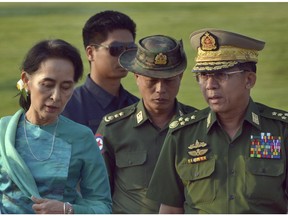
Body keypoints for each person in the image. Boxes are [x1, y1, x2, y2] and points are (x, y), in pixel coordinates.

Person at [146, 28, 288, 213]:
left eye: (221, 75)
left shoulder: (281, 131)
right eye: (203, 76)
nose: (210, 85)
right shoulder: (182, 134)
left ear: (249, 80)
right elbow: (170, 209)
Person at [0, 39, 112, 214]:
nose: (56, 96)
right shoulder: (3, 132)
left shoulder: (81, 137)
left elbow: (102, 205)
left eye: (66, 87)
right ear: (26, 80)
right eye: (47, 85)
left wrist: (68, 210)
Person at [96, 34, 198, 213]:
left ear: (180, 77)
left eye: (168, 81)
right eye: (152, 81)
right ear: (137, 77)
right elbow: (97, 190)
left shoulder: (198, 126)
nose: (160, 89)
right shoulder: (113, 128)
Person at [62, 10, 139, 134]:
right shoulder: (66, 108)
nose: (124, 56)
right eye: (116, 49)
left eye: (130, 49)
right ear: (90, 53)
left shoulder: (138, 107)